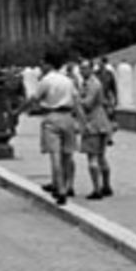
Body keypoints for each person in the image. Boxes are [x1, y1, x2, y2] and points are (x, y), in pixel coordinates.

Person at [29, 50, 80, 205]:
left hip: (52, 117)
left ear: (48, 64)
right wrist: (82, 122)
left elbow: (34, 98)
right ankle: (68, 184)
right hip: (68, 117)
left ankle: (60, 189)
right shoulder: (68, 80)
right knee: (68, 155)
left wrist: (19, 111)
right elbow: (76, 101)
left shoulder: (46, 80)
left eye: (42, 63)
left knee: (55, 155)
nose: (41, 66)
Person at [75, 56, 117, 199]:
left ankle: (97, 189)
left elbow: (87, 103)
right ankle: (106, 186)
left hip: (93, 123)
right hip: (101, 122)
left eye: (85, 68)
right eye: (80, 68)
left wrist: (76, 99)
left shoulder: (93, 84)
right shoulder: (87, 83)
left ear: (91, 69)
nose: (82, 71)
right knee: (101, 156)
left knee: (93, 157)